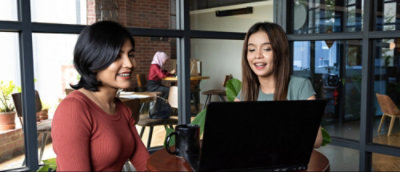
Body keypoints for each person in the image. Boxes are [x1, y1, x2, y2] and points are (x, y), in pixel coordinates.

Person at [51, 21, 149, 171]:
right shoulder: (73, 110)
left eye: (131, 55)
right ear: (93, 60)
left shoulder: (120, 108)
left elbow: (145, 164)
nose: (129, 64)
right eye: (117, 56)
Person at [235, 22, 323, 148]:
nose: (257, 55)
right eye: (252, 50)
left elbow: (317, 139)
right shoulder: (247, 91)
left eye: (267, 49)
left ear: (280, 52)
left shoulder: (300, 86)